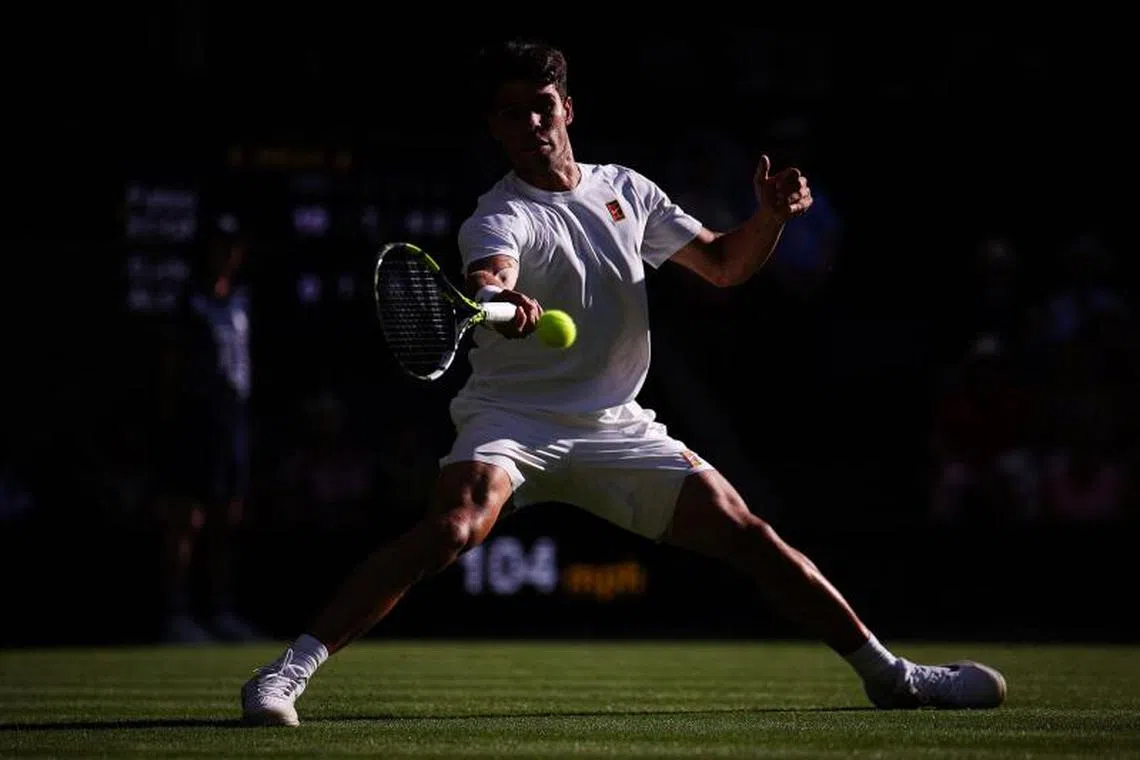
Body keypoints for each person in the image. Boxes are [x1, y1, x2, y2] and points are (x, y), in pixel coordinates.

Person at [241, 39, 1007, 726]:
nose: (532, 125)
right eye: (512, 115)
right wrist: (505, 302)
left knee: (749, 534)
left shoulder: (626, 191)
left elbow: (723, 265)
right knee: (453, 529)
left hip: (616, 423)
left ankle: (892, 678)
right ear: (496, 130)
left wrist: (768, 218)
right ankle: (283, 676)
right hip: (516, 418)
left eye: (542, 107)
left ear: (567, 108)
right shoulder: (496, 216)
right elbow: (493, 273)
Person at [158, 227, 262, 643]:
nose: (229, 253)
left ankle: (221, 612)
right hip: (194, 419)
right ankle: (176, 615)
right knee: (187, 519)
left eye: (234, 246)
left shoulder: (243, 299)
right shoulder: (188, 302)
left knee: (227, 519)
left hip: (232, 421)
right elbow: (170, 368)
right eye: (221, 245)